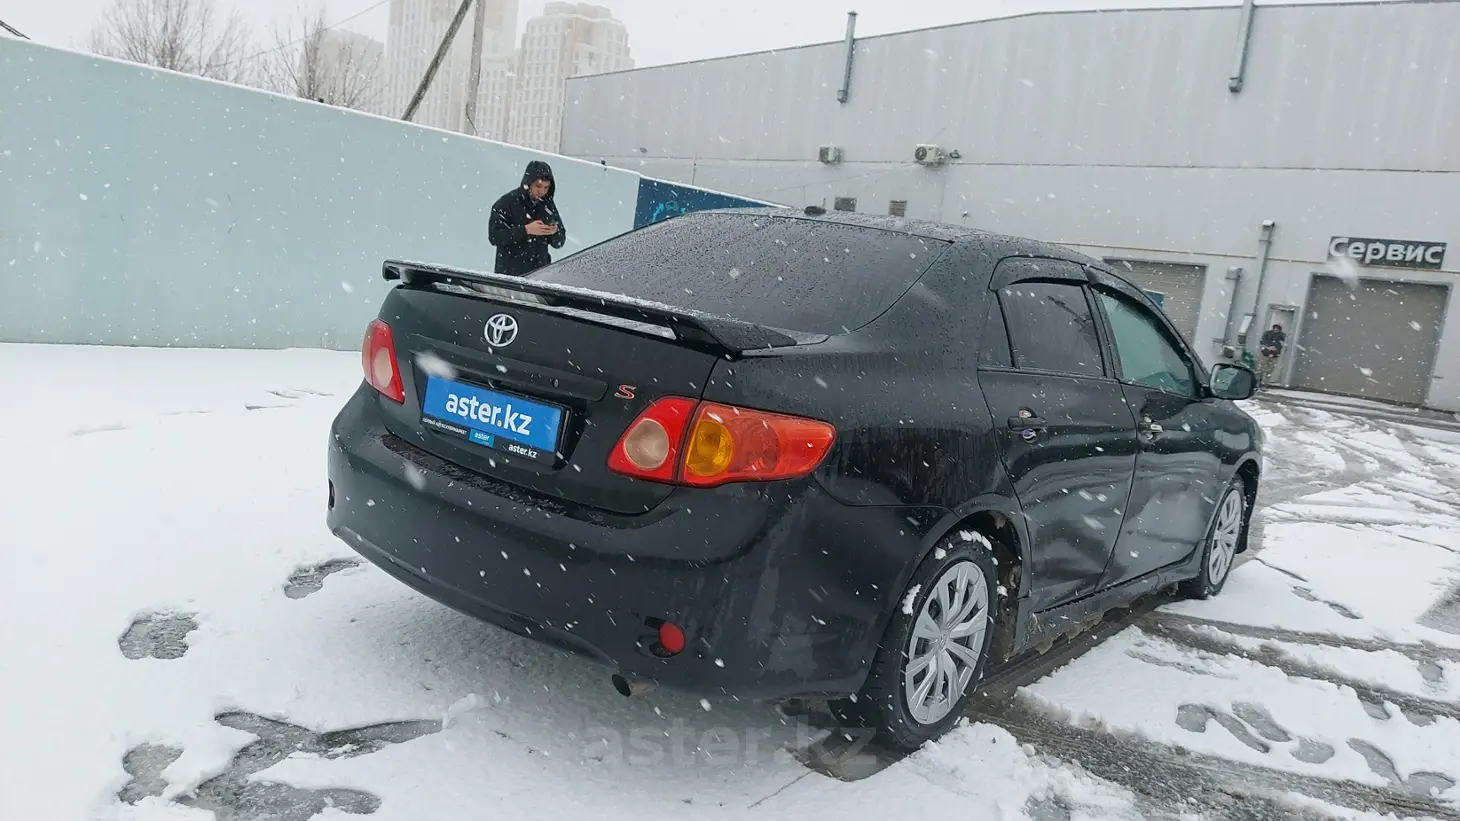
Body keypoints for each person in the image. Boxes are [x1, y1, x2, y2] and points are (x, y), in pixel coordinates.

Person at [489, 160, 566, 276]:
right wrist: (526, 230)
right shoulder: (506, 203)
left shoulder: (547, 205)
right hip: (510, 276)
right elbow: (495, 237)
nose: (542, 191)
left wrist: (554, 232)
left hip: (540, 276)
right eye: (538, 186)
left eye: (546, 187)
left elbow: (559, 242)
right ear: (528, 183)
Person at [1256, 323, 1286, 388]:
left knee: (1269, 371)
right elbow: (1262, 341)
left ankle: (1264, 384)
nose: (1276, 330)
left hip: (1274, 355)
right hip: (1265, 354)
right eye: (1275, 328)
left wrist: (1275, 348)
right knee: (1261, 369)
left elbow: (1282, 344)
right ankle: (1258, 383)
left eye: (1277, 329)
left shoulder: (1282, 336)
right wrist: (1269, 347)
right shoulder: (1267, 333)